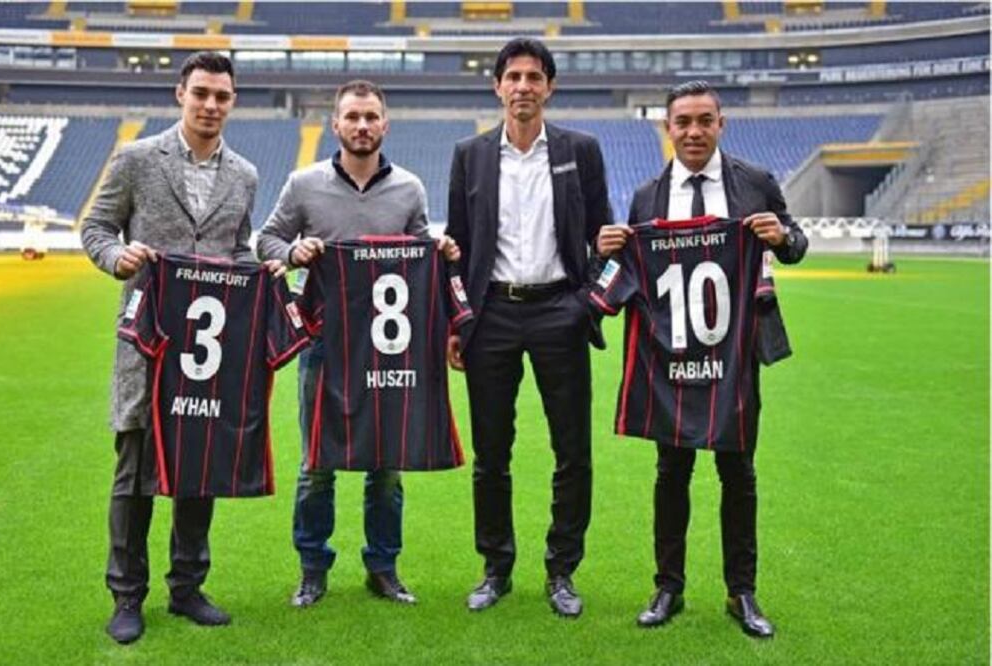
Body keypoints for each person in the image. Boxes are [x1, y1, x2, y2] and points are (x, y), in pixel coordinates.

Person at [596, 80, 808, 638]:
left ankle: (742, 592)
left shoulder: (756, 183)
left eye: (704, 120)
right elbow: (633, 268)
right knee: (672, 472)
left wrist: (782, 235)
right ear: (669, 128)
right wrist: (609, 252)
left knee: (738, 473)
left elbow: (797, 242)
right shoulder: (647, 196)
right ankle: (668, 587)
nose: (693, 131)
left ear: (721, 124)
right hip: (670, 360)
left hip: (735, 357)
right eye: (683, 121)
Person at [82, 51, 280, 644]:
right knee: (135, 469)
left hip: (209, 353)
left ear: (233, 101)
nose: (211, 105)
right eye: (201, 94)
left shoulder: (244, 174)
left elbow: (239, 248)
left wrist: (260, 272)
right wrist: (119, 258)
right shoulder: (138, 159)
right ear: (180, 95)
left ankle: (187, 587)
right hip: (149, 344)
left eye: (222, 96)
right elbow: (96, 228)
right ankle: (127, 595)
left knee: (199, 467)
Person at [256, 79, 459, 608]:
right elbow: (265, 241)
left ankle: (383, 566)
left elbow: (418, 253)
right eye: (353, 117)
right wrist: (295, 251)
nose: (362, 125)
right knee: (316, 462)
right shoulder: (304, 184)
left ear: (385, 124)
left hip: (389, 347)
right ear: (336, 123)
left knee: (386, 463)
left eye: (371, 116)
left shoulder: (410, 188)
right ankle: (312, 567)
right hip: (324, 343)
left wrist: (438, 246)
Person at [446, 37, 612, 618]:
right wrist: (458, 321)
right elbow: (460, 247)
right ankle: (496, 567)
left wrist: (586, 303)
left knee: (573, 450)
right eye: (512, 76)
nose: (523, 86)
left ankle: (562, 569)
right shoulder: (470, 154)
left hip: (558, 311)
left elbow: (603, 238)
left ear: (549, 87)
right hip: (491, 316)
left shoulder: (580, 151)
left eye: (533, 77)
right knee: (492, 452)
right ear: (497, 87)